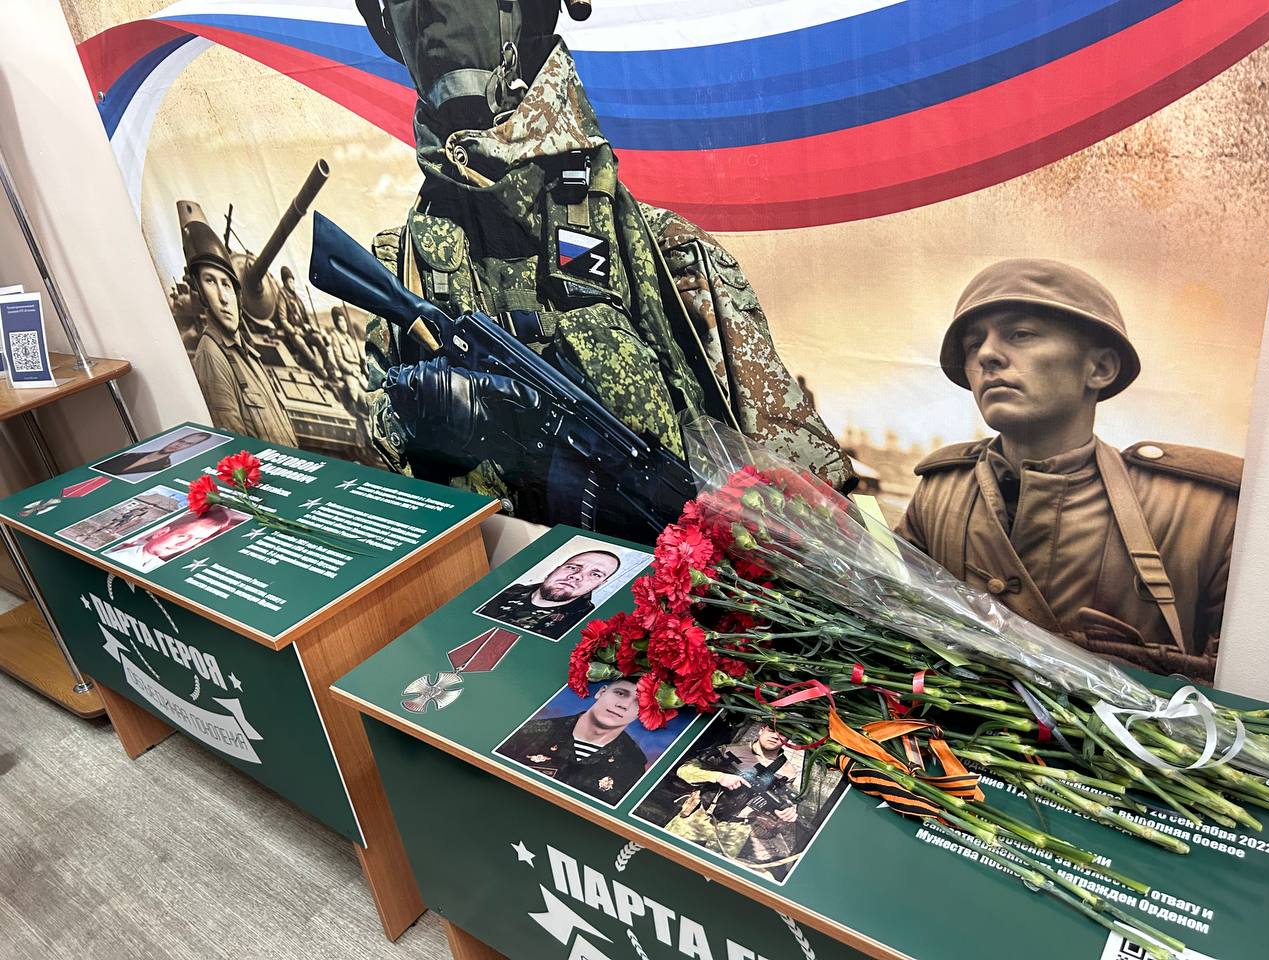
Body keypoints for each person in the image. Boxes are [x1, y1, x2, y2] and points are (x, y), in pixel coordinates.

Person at [357, 0, 855, 537]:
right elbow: (398, 501)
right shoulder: (403, 265)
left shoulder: (661, 252)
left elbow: (811, 512)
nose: (429, 16)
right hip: (490, 580)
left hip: (656, 582)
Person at [897, 259, 1240, 682]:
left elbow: (1245, 693)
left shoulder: (1204, 514)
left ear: (1100, 368)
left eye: (1020, 334)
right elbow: (888, 620)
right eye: (973, 344)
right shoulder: (940, 493)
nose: (986, 355)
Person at [182, 218, 299, 447]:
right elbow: (236, 451)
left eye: (226, 284)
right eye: (210, 281)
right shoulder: (212, 355)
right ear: (200, 293)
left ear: (237, 294)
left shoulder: (249, 355)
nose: (223, 298)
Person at [661, 725, 801, 876]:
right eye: (772, 730)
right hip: (699, 817)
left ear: (787, 740)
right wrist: (719, 777)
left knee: (708, 874)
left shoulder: (788, 771)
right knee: (663, 854)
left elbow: (783, 798)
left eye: (782, 734)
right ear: (761, 730)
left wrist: (787, 810)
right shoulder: (730, 750)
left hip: (736, 831)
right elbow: (684, 770)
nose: (775, 736)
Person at [496, 678, 647, 804]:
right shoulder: (533, 731)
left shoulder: (632, 763)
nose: (623, 705)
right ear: (601, 692)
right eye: (620, 693)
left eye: (639, 702)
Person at [477, 549, 620, 640]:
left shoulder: (586, 621)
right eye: (572, 567)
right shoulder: (512, 591)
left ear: (600, 584)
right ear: (555, 570)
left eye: (595, 574)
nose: (576, 575)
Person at [103, 506, 245, 573]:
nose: (183, 544)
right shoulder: (115, 555)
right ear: (161, 532)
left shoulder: (161, 568)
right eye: (182, 535)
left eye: (196, 539)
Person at [94, 431, 213, 479]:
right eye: (181, 441)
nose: (178, 445)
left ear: (190, 447)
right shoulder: (131, 453)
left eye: (187, 444)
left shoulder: (164, 468)